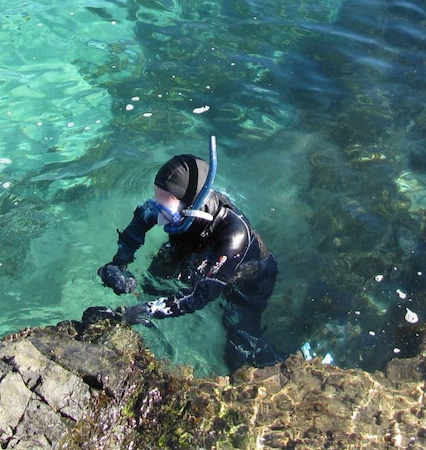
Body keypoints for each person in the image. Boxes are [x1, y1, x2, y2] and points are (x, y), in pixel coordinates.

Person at [83, 137, 280, 371]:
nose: (157, 217)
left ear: (192, 207)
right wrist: (118, 264)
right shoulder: (171, 207)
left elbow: (199, 297)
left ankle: (263, 365)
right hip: (196, 248)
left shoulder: (234, 236)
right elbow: (137, 225)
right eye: (155, 204)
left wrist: (137, 313)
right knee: (154, 281)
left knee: (238, 332)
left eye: (164, 210)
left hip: (249, 276)